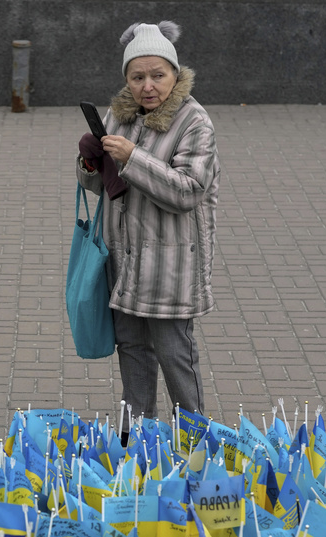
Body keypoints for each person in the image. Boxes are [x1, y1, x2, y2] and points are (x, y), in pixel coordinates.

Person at [76, 21, 220, 439]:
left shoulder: (194, 122)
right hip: (124, 260)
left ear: (175, 73)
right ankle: (136, 437)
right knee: (133, 351)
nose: (148, 86)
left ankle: (195, 439)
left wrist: (132, 157)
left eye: (158, 75)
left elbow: (188, 191)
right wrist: (89, 165)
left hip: (171, 266)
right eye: (137, 77)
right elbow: (104, 187)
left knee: (175, 355)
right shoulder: (118, 116)